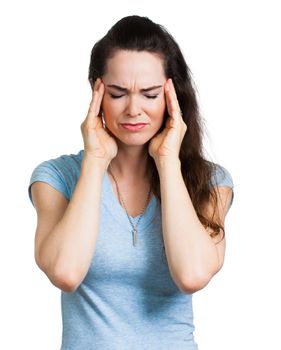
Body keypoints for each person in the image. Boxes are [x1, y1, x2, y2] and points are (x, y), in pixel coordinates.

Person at [28, 15, 234, 350]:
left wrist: (167, 161)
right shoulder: (56, 178)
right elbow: (65, 272)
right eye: (118, 93)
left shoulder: (211, 182)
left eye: (150, 94)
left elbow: (192, 275)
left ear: (172, 96)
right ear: (98, 93)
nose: (133, 109)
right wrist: (95, 161)